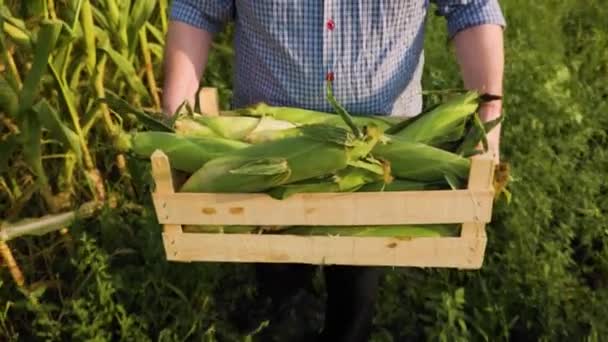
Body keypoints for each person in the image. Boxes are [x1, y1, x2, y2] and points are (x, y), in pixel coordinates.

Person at [162, 1, 505, 341]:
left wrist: (488, 121)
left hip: (384, 162)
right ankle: (285, 311)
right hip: (266, 156)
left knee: (357, 287)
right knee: (279, 276)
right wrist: (177, 119)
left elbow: (472, 7)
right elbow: (197, 9)